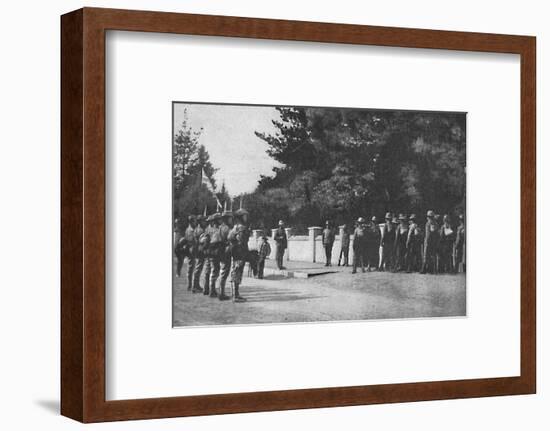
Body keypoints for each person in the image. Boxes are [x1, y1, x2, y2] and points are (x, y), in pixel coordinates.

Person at [228, 208, 250, 302]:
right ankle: (235, 296)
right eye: (245, 216)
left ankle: (235, 294)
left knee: (236, 272)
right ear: (241, 217)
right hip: (239, 253)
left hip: (236, 253)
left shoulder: (235, 226)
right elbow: (241, 241)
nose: (246, 217)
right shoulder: (241, 228)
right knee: (237, 273)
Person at [217, 209, 233, 300]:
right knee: (224, 273)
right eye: (230, 218)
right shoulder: (227, 228)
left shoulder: (220, 227)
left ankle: (221, 292)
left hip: (220, 251)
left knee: (222, 272)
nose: (231, 220)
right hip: (226, 252)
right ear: (227, 219)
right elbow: (230, 240)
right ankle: (221, 293)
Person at [206, 213, 223, 298]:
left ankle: (209, 289)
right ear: (216, 220)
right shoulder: (217, 230)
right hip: (214, 252)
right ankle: (212, 291)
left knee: (211, 271)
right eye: (219, 219)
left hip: (210, 252)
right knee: (214, 271)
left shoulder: (209, 229)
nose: (221, 220)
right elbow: (216, 241)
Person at [191, 215, 208, 293]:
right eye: (203, 221)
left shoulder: (198, 229)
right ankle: (195, 286)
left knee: (199, 267)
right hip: (199, 250)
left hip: (198, 249)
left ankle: (196, 285)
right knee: (198, 268)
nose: (205, 222)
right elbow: (199, 241)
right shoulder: (200, 230)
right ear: (200, 222)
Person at [420, 210, 440, 274]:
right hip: (434, 241)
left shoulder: (428, 223)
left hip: (429, 241)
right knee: (433, 255)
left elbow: (428, 234)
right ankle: (433, 269)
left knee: (426, 255)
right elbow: (437, 233)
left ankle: (424, 269)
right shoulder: (436, 224)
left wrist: (427, 241)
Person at [183, 215, 197, 290]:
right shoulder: (190, 230)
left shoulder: (188, 229)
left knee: (191, 267)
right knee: (191, 267)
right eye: (194, 221)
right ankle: (190, 285)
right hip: (191, 249)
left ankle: (190, 284)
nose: (196, 222)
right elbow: (191, 239)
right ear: (191, 222)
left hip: (190, 248)